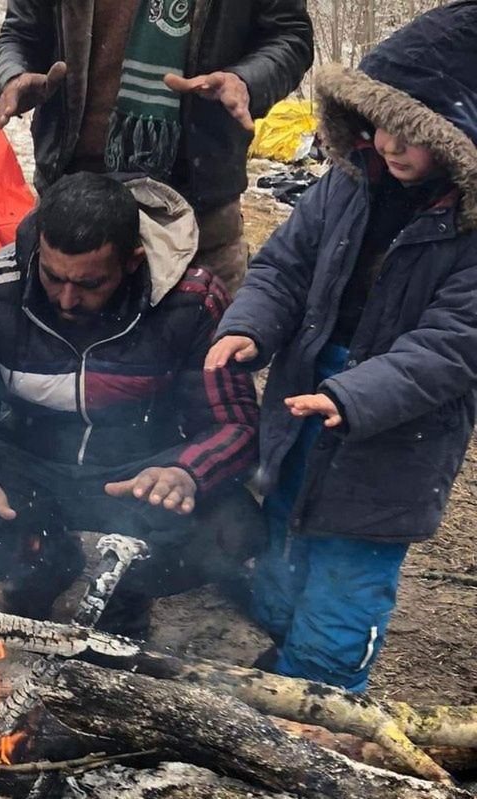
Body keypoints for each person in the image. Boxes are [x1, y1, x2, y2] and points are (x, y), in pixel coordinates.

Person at [206, 2, 477, 692]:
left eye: (415, 134)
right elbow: (284, 268)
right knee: (285, 531)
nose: (389, 143)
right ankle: (284, 649)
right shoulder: (351, 180)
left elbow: (452, 344)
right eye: (382, 121)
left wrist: (351, 396)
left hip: (394, 431)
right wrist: (248, 326)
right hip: (306, 388)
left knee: (348, 567)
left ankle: (324, 692)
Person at [0, 172, 262, 635]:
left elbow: (236, 424)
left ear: (132, 262)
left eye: (91, 284)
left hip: (141, 474)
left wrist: (186, 471)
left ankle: (125, 594)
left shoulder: (190, 301)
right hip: (32, 469)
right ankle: (44, 565)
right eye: (53, 277)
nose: (67, 299)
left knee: (235, 529)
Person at [0, 0, 313, 291]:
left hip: (198, 214)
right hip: (70, 210)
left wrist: (245, 80)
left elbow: (289, 37)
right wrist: (13, 75)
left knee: (202, 351)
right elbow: (20, 33)